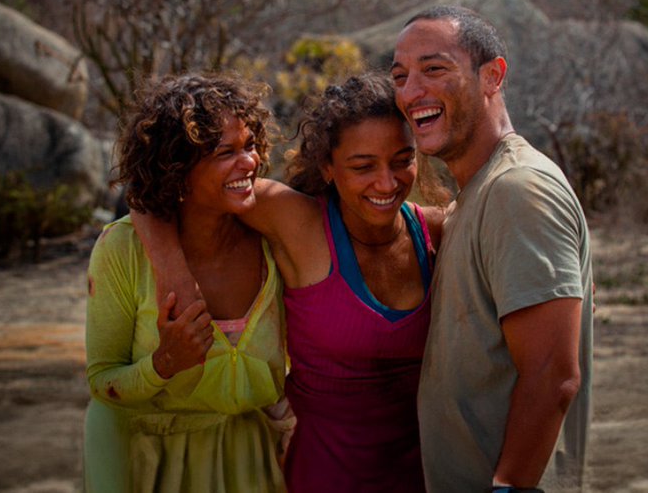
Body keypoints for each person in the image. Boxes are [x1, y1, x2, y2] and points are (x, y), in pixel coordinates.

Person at [132, 72, 447, 492]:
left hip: (428, 476)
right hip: (324, 475)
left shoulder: (436, 231)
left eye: (402, 160)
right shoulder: (296, 221)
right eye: (363, 166)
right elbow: (157, 189)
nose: (387, 183)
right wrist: (176, 275)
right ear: (328, 168)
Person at [390, 5, 593, 492]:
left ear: (492, 76)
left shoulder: (517, 188)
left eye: (434, 69)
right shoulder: (476, 195)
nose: (411, 91)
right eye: (400, 76)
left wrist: (507, 487)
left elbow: (552, 375)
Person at [83, 73, 290, 493]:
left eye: (250, 145)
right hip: (147, 464)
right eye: (224, 152)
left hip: (249, 464)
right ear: (177, 168)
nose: (249, 162)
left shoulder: (274, 241)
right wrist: (163, 365)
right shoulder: (122, 251)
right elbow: (101, 378)